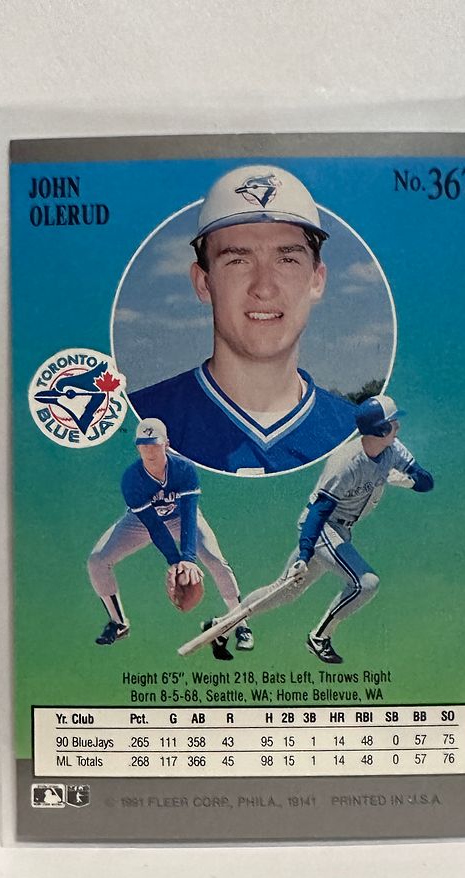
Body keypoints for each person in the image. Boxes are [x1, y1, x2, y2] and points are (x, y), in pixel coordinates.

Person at [129, 165, 356, 475]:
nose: (264, 287)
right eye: (238, 260)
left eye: (287, 259)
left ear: (317, 281)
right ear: (203, 283)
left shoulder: (353, 432)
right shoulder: (142, 419)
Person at [187, 395, 433, 663]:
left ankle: (221, 627)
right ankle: (320, 638)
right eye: (393, 422)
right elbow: (318, 511)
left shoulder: (393, 449)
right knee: (366, 583)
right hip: (321, 528)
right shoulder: (346, 462)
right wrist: (304, 555)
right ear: (380, 429)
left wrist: (409, 481)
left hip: (341, 530)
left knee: (284, 591)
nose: (398, 426)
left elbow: (426, 481)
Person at [88, 418, 253, 658]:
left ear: (166, 444)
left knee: (215, 560)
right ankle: (118, 622)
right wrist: (175, 561)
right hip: (141, 522)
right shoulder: (132, 478)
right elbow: (154, 526)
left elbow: (189, 514)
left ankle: (240, 624)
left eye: (154, 444)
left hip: (181, 518)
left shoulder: (184, 468)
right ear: (137, 447)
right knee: (97, 560)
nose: (149, 450)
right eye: (143, 444)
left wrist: (188, 558)